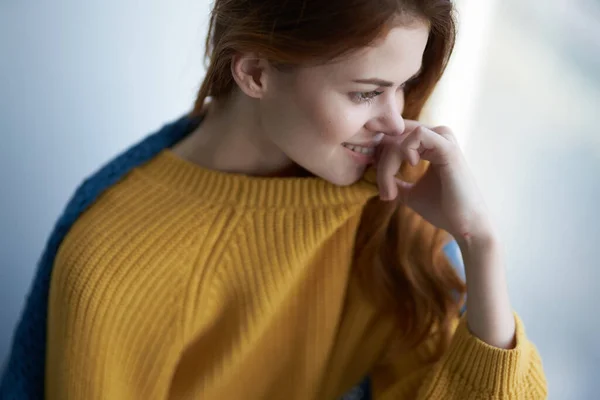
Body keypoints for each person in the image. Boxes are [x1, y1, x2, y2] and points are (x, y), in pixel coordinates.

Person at [0, 0, 548, 398]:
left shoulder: (393, 201)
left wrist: (480, 243)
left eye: (404, 86)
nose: (394, 121)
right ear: (256, 72)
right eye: (366, 92)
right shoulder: (114, 262)